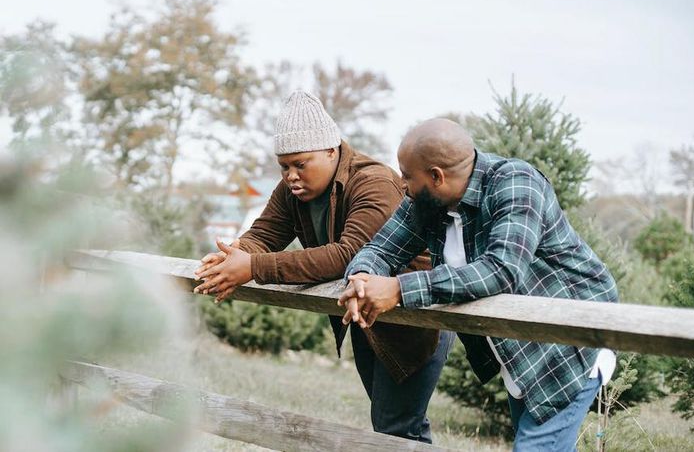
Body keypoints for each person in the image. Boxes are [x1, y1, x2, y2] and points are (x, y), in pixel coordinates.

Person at [340, 118, 619, 451]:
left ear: (436, 176)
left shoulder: (516, 182)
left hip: (571, 343)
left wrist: (399, 289)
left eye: (406, 175)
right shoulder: (428, 203)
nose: (401, 183)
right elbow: (379, 249)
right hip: (519, 353)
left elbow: (501, 270)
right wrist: (361, 280)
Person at [193, 92, 454, 443]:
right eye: (284, 166)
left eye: (301, 163)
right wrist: (234, 255)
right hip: (369, 319)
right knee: (397, 429)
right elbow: (264, 233)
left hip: (415, 319)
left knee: (396, 430)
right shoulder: (292, 190)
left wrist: (253, 266)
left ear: (332, 150)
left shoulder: (373, 182)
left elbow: (349, 255)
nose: (291, 175)